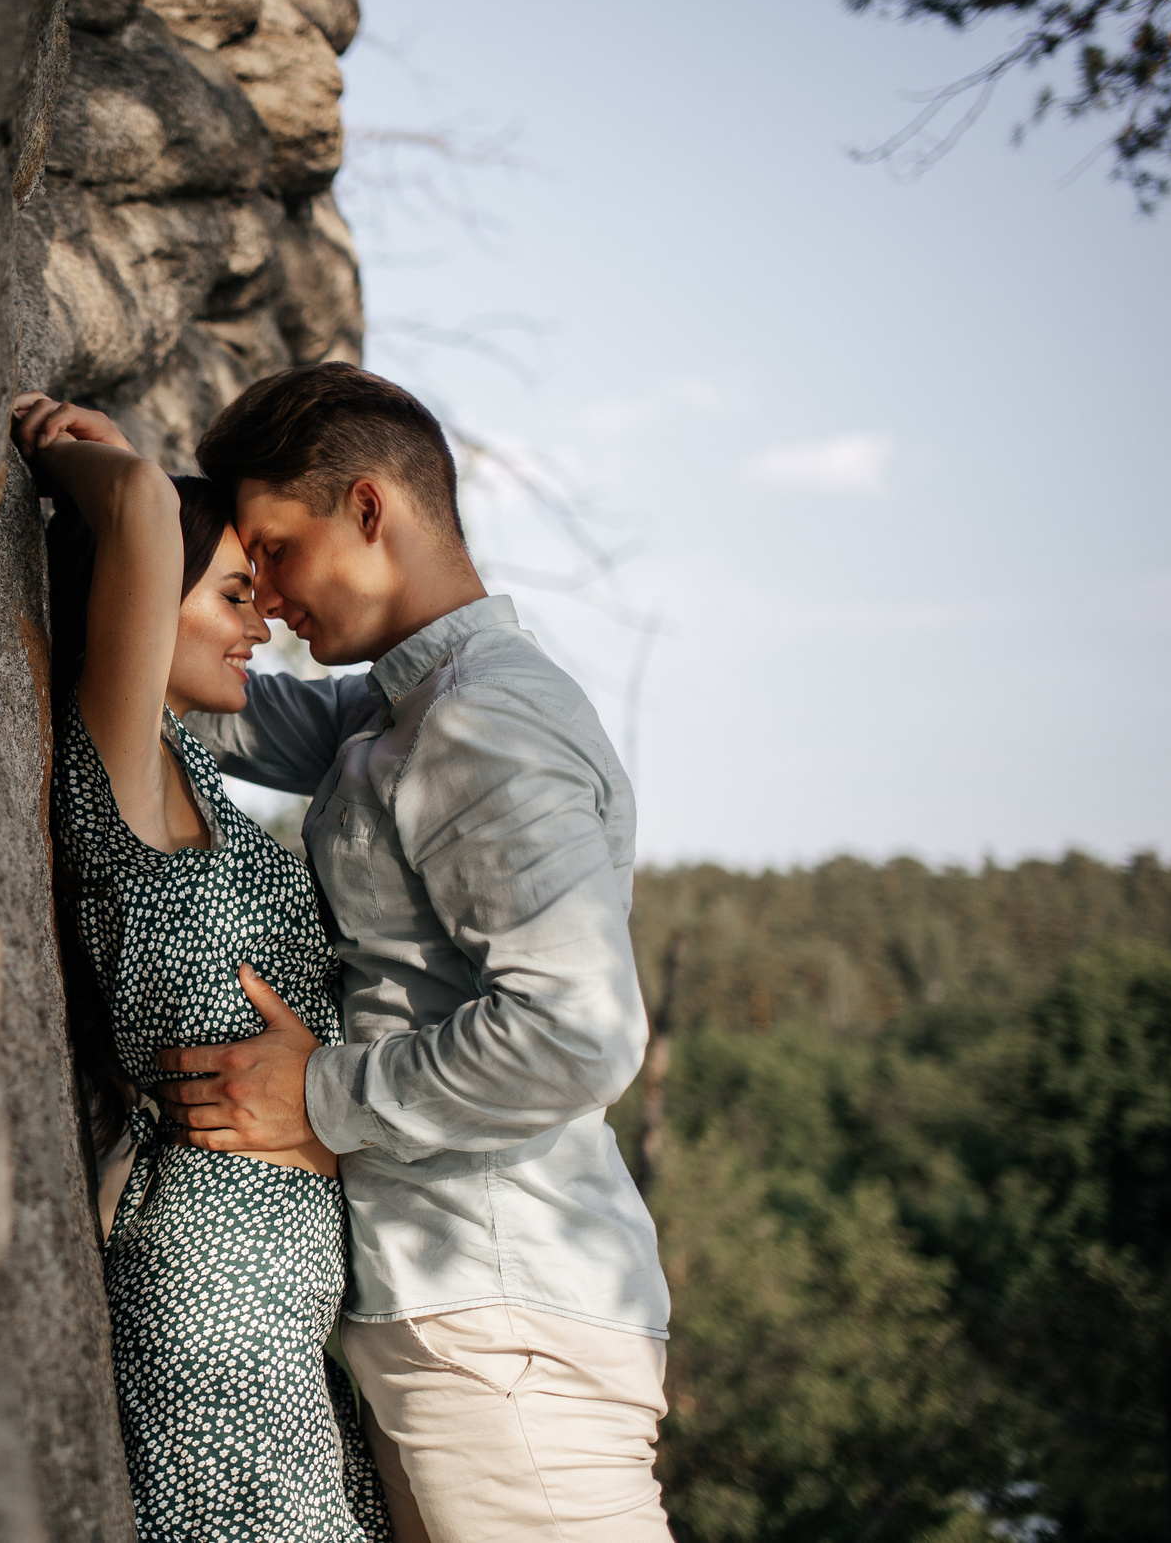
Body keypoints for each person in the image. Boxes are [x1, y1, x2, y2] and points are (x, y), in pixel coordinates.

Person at [152, 361, 674, 1543]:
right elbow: (215, 695)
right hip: (459, 1313)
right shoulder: (406, 709)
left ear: (370, 510)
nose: (269, 601)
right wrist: (128, 519)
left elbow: (574, 1032)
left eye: (277, 552)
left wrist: (317, 1094)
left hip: (507, 1326)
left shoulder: (483, 717)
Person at [11, 390, 390, 1543]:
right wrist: (106, 462)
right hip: (214, 1295)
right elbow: (130, 509)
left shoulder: (194, 777)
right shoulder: (116, 767)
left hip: (274, 1295)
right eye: (230, 595)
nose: (259, 625)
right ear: (140, 607)